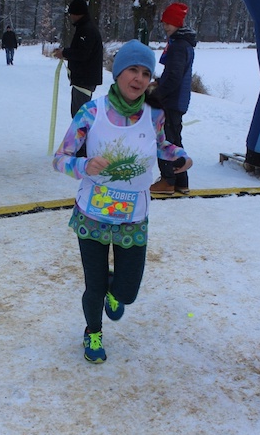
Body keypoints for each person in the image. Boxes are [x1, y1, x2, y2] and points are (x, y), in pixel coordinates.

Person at [52, 40, 193, 364]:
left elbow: (162, 145)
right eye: (133, 70)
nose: (139, 78)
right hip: (93, 214)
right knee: (94, 285)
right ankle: (93, 331)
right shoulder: (92, 112)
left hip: (133, 215)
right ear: (117, 73)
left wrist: (180, 155)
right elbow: (60, 158)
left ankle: (116, 292)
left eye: (145, 73)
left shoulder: (154, 114)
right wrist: (83, 165)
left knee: (127, 291)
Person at [150, 3, 197, 195]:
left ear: (178, 23)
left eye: (169, 23)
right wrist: (159, 82)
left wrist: (157, 94)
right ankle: (181, 181)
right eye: (164, 23)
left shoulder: (178, 46)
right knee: (174, 140)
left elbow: (175, 77)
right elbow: (173, 74)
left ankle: (168, 180)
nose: (165, 27)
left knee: (165, 140)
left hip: (172, 100)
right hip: (177, 100)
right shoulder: (182, 43)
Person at [52, 0, 104, 157]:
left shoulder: (86, 30)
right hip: (83, 78)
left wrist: (65, 53)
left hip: (85, 79)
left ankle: (84, 150)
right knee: (79, 113)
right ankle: (82, 148)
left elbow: (82, 54)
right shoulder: (85, 28)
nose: (70, 17)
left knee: (80, 115)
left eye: (71, 14)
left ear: (77, 13)